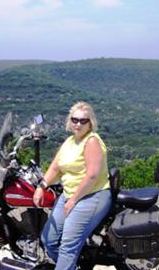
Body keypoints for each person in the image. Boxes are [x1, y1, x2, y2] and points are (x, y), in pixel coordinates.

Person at [33, 101, 111, 270]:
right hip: (69, 195)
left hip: (92, 195)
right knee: (49, 239)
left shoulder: (91, 141)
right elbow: (55, 167)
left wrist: (74, 200)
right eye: (75, 119)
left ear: (91, 122)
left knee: (68, 245)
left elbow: (92, 176)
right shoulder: (70, 141)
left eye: (84, 120)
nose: (78, 124)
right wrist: (42, 186)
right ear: (69, 121)